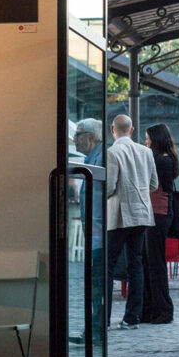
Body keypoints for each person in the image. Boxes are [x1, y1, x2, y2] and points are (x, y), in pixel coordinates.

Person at [105, 114, 158, 330]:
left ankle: (103, 319)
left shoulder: (112, 152)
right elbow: (153, 184)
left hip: (119, 214)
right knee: (136, 264)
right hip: (142, 213)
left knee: (108, 266)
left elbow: (109, 187)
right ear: (132, 129)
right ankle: (132, 317)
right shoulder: (146, 152)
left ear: (112, 129)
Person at [70, 118, 105, 344]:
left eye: (79, 134)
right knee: (95, 282)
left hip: (98, 233)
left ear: (91, 137)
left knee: (97, 283)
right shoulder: (91, 160)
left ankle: (96, 330)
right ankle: (94, 328)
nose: (74, 139)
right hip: (95, 232)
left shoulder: (99, 161)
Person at [141, 122, 178, 325]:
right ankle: (150, 310)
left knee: (154, 264)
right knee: (148, 262)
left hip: (158, 213)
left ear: (155, 139)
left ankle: (162, 310)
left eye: (147, 138)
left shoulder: (161, 161)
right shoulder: (164, 159)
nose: (145, 142)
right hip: (155, 213)